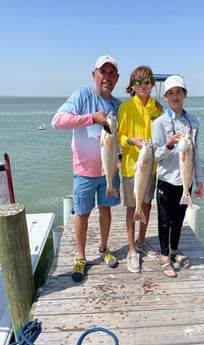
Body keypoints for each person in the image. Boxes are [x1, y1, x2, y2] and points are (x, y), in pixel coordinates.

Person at [51, 55, 121, 282]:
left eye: (112, 73)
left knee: (106, 209)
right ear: (94, 75)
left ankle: (104, 247)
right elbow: (57, 121)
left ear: (117, 78)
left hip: (109, 171)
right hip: (84, 171)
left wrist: (119, 158)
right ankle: (80, 257)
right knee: (81, 214)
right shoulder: (82, 96)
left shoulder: (118, 106)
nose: (107, 78)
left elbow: (121, 137)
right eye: (103, 72)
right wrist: (91, 118)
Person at [152, 75, 204, 278]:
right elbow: (156, 154)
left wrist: (199, 181)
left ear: (185, 94)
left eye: (179, 92)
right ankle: (164, 255)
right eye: (171, 93)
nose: (175, 97)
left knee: (179, 219)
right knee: (164, 220)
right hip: (166, 179)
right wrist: (169, 144)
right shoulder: (159, 123)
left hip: (186, 180)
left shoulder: (193, 121)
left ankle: (174, 250)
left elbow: (196, 153)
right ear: (165, 97)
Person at [118, 65, 162, 273]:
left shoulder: (157, 108)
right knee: (131, 208)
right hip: (130, 167)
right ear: (132, 86)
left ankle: (142, 242)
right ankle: (132, 250)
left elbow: (162, 135)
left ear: (152, 84)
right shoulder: (126, 107)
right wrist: (130, 140)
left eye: (146, 82)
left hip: (151, 166)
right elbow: (119, 136)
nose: (142, 85)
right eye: (138, 82)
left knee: (146, 205)